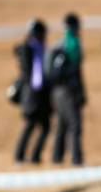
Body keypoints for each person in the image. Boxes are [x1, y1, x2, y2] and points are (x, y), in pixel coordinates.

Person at [47, 13, 87, 166]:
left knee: (61, 124)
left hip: (56, 90)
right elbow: (77, 68)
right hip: (69, 90)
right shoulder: (74, 43)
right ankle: (77, 160)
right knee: (75, 125)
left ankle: (56, 158)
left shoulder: (58, 43)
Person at [14, 19, 51, 163]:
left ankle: (33, 157)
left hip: (41, 93)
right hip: (31, 93)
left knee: (44, 126)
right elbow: (28, 72)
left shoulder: (40, 48)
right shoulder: (28, 49)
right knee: (30, 124)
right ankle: (20, 156)